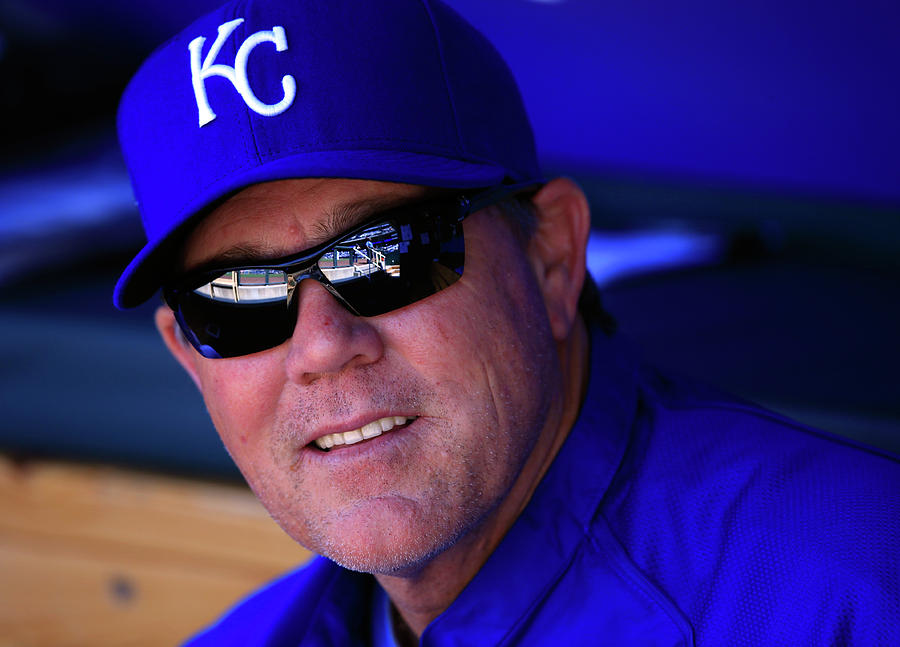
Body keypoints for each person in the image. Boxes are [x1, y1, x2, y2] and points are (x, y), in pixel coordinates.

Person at [113, 0, 900, 645]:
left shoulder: (855, 589)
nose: (321, 345)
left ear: (554, 256)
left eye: (385, 252)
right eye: (236, 296)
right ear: (189, 355)